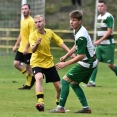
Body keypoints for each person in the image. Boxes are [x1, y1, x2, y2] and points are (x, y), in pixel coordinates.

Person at [50, 10, 98, 113]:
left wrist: (65, 64)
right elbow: (76, 46)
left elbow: (80, 56)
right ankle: (86, 108)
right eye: (70, 19)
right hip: (90, 61)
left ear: (80, 21)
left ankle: (60, 108)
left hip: (87, 62)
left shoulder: (81, 35)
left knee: (65, 80)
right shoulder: (77, 30)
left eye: (74, 20)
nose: (71, 22)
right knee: (74, 84)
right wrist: (66, 55)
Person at [29, 15, 73, 112]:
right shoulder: (33, 35)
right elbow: (32, 50)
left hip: (49, 63)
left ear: (44, 23)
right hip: (37, 62)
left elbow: (59, 42)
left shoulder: (49, 32)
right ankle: (40, 103)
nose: (38, 24)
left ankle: (59, 106)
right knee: (39, 77)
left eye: (40, 21)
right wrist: (36, 44)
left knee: (59, 87)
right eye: (36, 22)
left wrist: (69, 52)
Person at [84, 0, 117, 87]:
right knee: (94, 62)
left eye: (102, 6)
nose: (100, 7)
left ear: (105, 7)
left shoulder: (108, 16)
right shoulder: (98, 17)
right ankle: (92, 82)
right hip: (100, 45)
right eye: (98, 6)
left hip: (108, 45)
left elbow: (109, 32)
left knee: (111, 65)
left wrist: (99, 41)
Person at [13, 4, 35, 90]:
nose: (24, 10)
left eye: (26, 9)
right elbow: (21, 34)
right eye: (22, 9)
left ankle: (28, 85)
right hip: (21, 48)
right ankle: (31, 77)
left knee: (28, 67)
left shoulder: (31, 21)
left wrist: (26, 47)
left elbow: (31, 36)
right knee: (16, 63)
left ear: (30, 10)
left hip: (28, 49)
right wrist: (16, 45)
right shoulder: (22, 21)